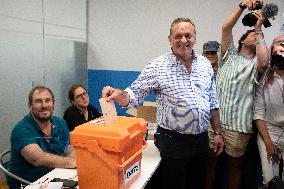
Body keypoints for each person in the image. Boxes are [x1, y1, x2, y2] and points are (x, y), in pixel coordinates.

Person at [102, 17, 224, 189]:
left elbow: (212, 102)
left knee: (197, 184)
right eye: (178, 36)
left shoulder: (205, 64)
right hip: (173, 142)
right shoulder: (158, 66)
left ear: (195, 38)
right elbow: (135, 93)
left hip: (201, 141)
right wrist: (119, 94)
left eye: (188, 35)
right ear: (170, 39)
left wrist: (218, 132)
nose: (183, 40)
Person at [206, 1, 269, 189]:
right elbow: (226, 27)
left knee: (235, 169)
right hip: (214, 123)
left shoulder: (256, 65)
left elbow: (265, 62)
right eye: (253, 34)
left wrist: (258, 27)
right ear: (242, 40)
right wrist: (242, 6)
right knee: (209, 165)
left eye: (259, 36)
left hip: (239, 127)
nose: (257, 37)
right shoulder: (228, 56)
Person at [8, 86, 76, 189]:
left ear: (53, 104)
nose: (44, 105)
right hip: (28, 184)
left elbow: (69, 151)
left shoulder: (60, 123)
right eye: (38, 101)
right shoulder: (21, 129)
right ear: (30, 106)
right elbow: (37, 159)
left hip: (56, 178)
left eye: (48, 101)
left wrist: (74, 162)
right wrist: (72, 163)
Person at [254, 35, 284, 187]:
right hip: (270, 130)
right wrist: (268, 143)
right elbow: (258, 113)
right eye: (279, 44)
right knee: (271, 181)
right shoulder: (265, 77)